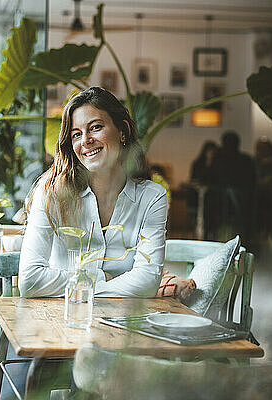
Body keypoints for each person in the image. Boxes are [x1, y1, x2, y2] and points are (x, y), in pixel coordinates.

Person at [19, 87, 168, 299]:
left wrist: (79, 284)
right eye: (76, 135)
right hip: (58, 320)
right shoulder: (51, 192)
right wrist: (104, 278)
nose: (86, 140)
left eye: (95, 127)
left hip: (122, 324)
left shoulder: (152, 198)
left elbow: (147, 283)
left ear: (122, 131)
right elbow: (30, 280)